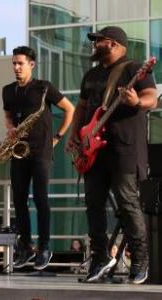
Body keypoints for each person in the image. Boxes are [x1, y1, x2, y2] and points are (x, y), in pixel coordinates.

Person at [66, 26, 158, 284]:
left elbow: (152, 97)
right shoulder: (92, 74)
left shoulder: (133, 69)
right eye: (94, 41)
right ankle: (99, 257)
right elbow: (82, 107)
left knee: (128, 204)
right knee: (93, 204)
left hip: (124, 147)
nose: (94, 44)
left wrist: (136, 102)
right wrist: (75, 134)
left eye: (99, 41)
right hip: (93, 150)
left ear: (115, 44)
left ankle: (140, 261)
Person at [1, 46, 74, 270]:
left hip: (42, 150)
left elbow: (69, 109)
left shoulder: (44, 88)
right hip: (19, 150)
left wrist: (58, 137)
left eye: (20, 63)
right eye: (14, 63)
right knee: (19, 200)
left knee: (41, 199)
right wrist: (11, 127)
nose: (16, 67)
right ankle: (26, 247)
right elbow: (7, 115)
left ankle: (44, 247)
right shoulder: (8, 90)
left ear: (32, 65)